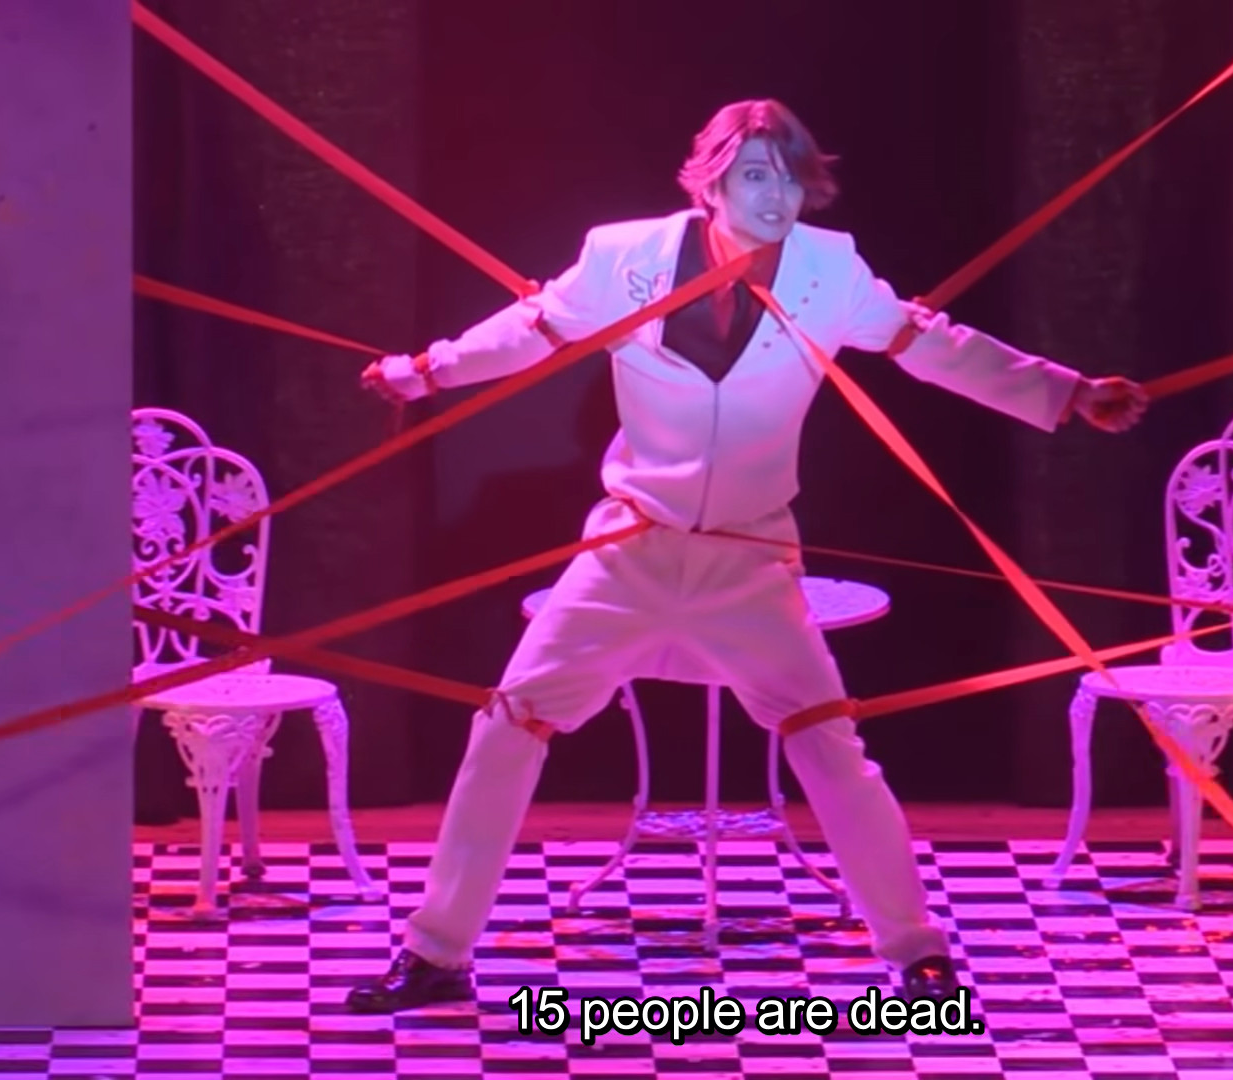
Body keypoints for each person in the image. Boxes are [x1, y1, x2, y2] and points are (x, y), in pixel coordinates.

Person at [346, 98, 1149, 1014]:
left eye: (791, 178)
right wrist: (424, 371)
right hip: (630, 548)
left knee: (831, 746)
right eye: (756, 176)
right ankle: (436, 953)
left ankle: (916, 951)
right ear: (711, 183)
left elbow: (929, 343)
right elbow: (529, 331)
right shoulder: (623, 258)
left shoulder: (828, 270)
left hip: (751, 560)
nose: (777, 197)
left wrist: (1067, 393)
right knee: (507, 727)